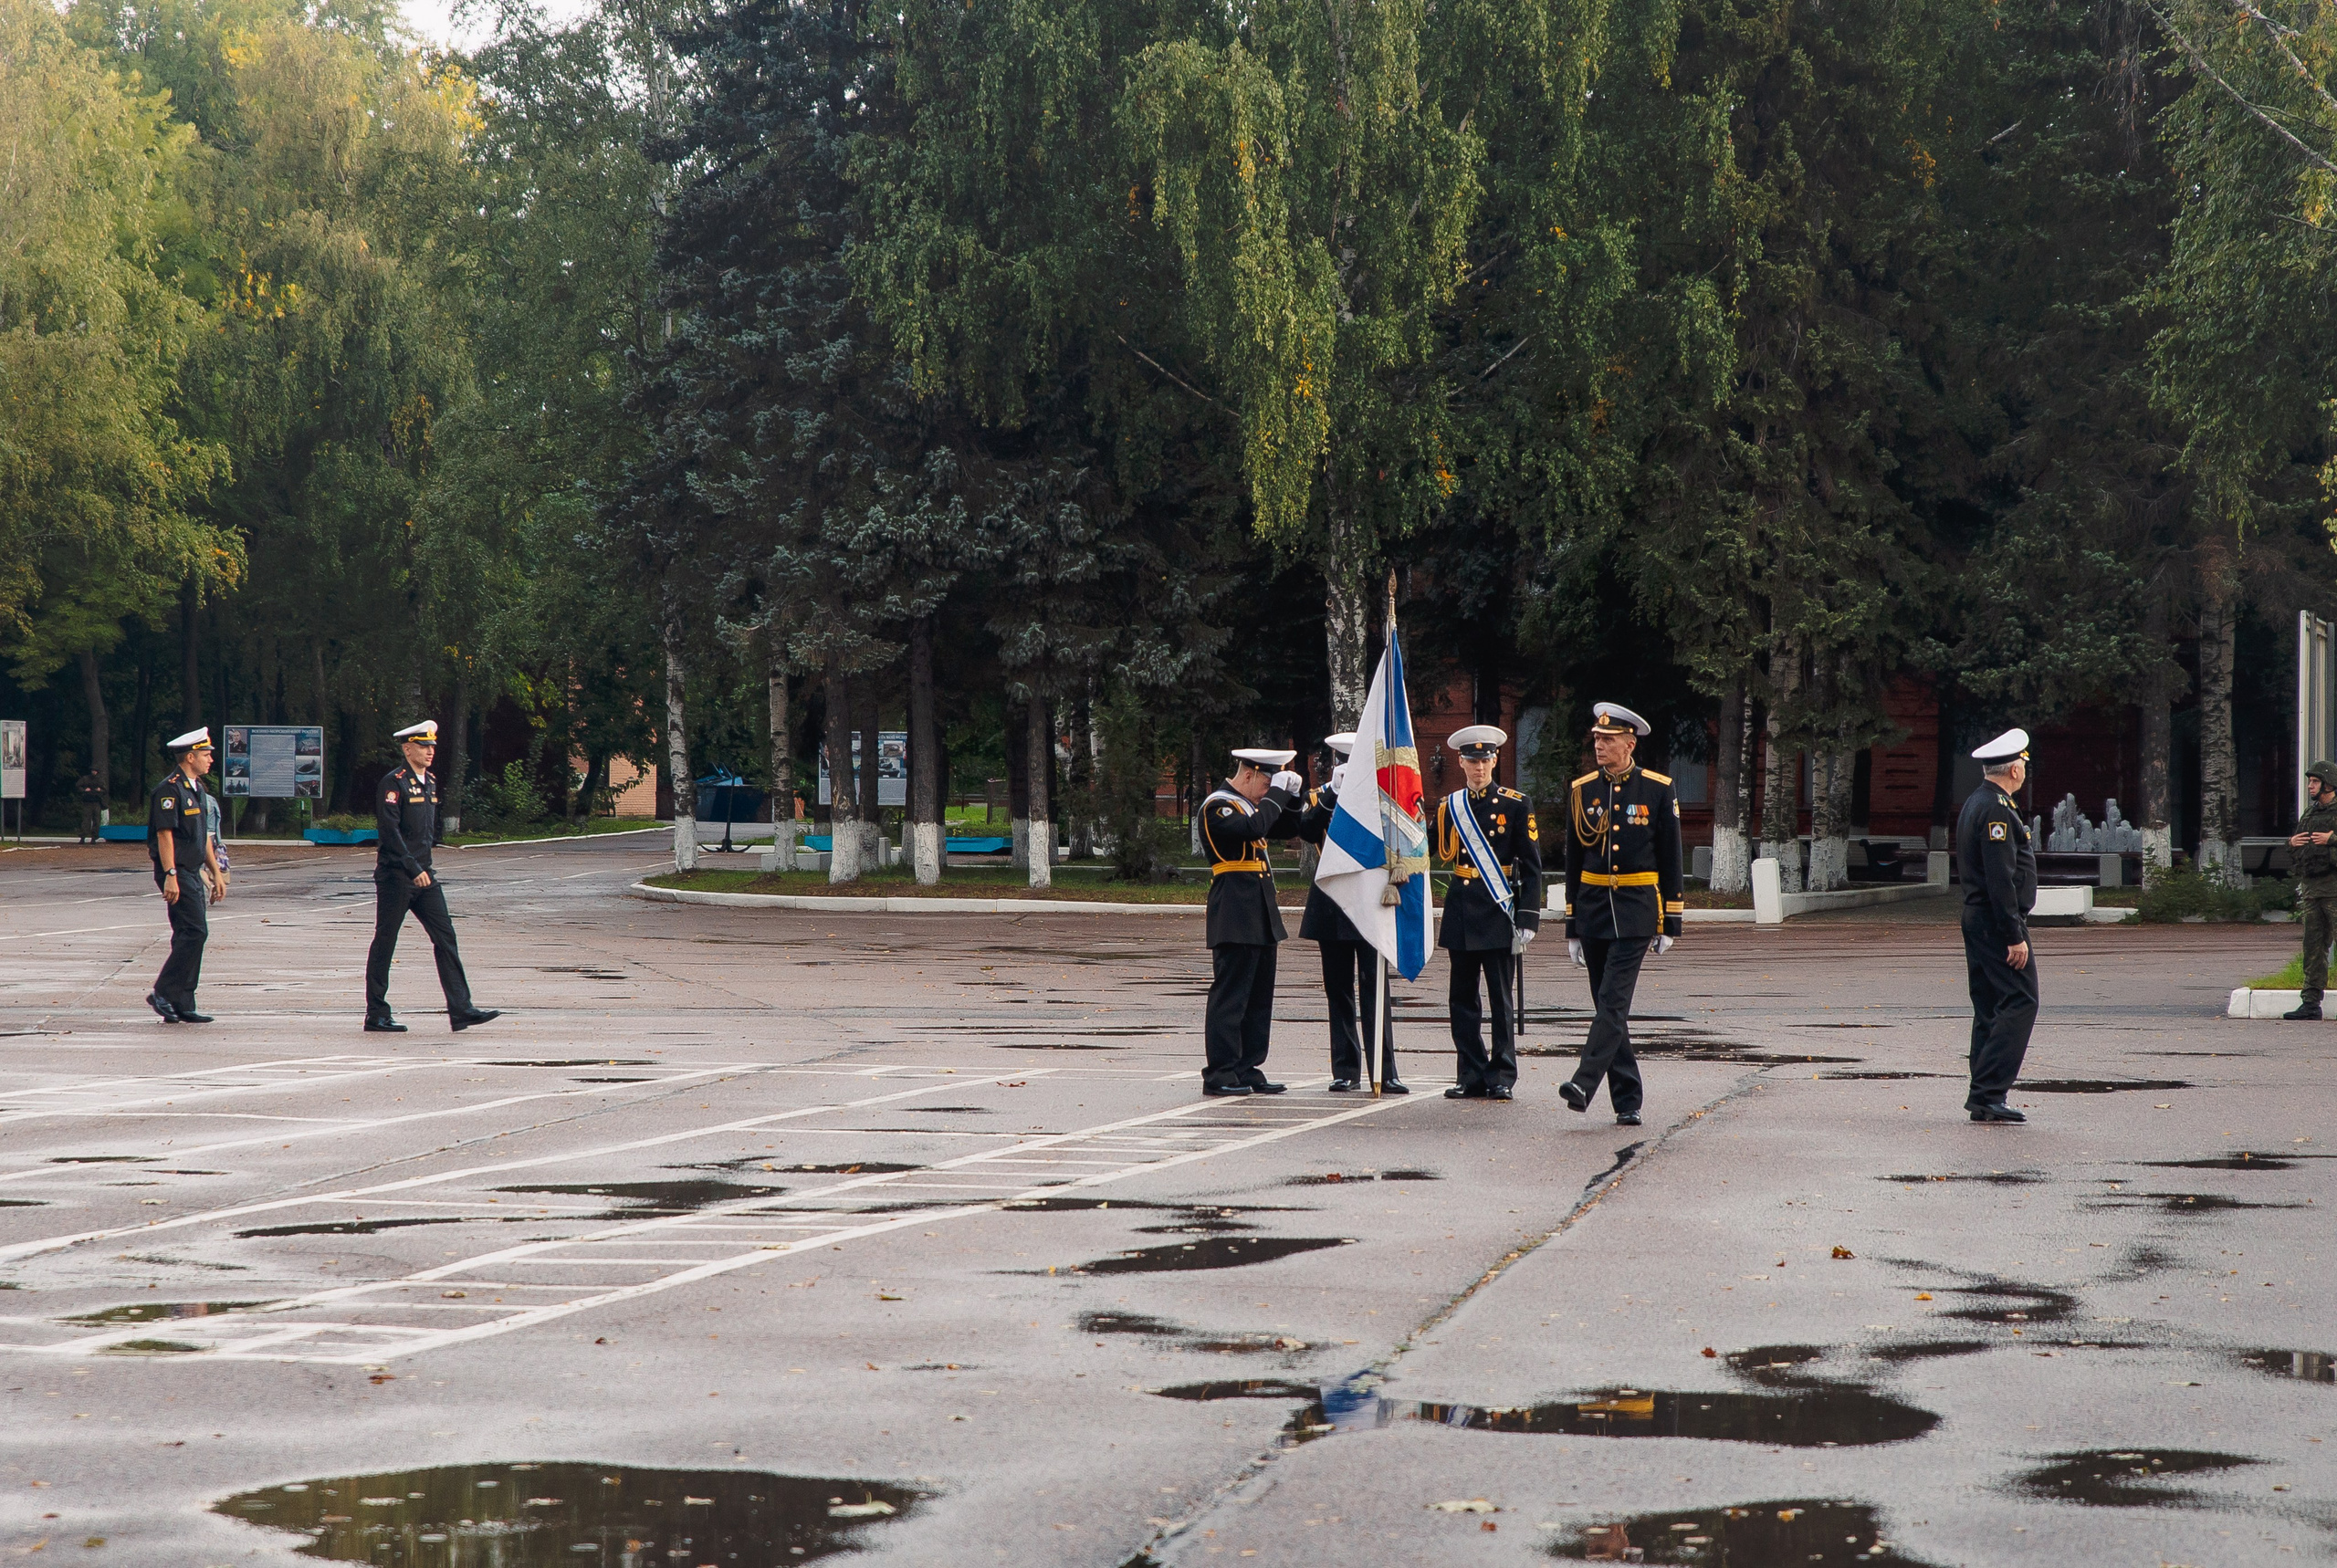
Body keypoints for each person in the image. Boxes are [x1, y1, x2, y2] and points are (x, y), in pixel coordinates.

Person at [1558, 703, 1682, 1125]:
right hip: (1593, 910)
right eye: (1596, 739)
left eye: (1608, 740)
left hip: (1636, 911)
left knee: (1612, 1002)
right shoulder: (1582, 790)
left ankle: (1583, 1081)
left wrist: (1672, 921)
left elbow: (1671, 857)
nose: (1599, 745)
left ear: (1630, 744)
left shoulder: (1657, 789)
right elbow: (1574, 862)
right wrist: (1571, 926)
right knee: (1607, 1009)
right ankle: (1628, 1099)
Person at [366, 720, 499, 1033]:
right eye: (423, 746)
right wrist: (414, 869)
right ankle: (376, 1013)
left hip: (426, 875)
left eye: (432, 747)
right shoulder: (393, 783)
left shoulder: (431, 782)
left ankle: (461, 1009)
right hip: (397, 876)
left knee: (445, 937)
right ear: (407, 748)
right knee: (386, 941)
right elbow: (390, 832)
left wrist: (424, 868)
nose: (430, 752)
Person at [1432, 725, 1543, 1101]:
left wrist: (1528, 916)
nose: (1478, 767)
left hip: (1498, 910)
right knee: (1462, 1000)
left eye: (1485, 760)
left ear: (1494, 760)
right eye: (1471, 760)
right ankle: (1470, 1073)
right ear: (1460, 762)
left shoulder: (1515, 803)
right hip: (1462, 908)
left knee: (1500, 1000)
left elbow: (1531, 866)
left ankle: (1501, 1076)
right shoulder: (1450, 806)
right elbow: (1426, 847)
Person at [1296, 733, 1406, 1093]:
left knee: (1376, 988)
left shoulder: (1382, 798)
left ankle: (1384, 1069)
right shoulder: (1321, 796)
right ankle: (1345, 1069)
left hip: (1372, 899)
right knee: (1339, 989)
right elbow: (1307, 829)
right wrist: (1332, 795)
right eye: (1342, 762)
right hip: (1333, 902)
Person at [1200, 747, 1306, 1097]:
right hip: (1234, 910)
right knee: (1231, 997)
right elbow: (1253, 826)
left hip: (1259, 911)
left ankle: (1248, 1066)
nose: (1265, 793)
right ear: (1248, 775)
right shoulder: (1218, 806)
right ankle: (1221, 1072)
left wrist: (1292, 796)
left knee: (1259, 997)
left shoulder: (1250, 804)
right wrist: (1276, 794)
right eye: (1265, 783)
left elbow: (1291, 826)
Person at [1958, 727, 2039, 1122]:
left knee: (1990, 1005)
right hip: (1995, 923)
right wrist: (2014, 935)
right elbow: (2000, 877)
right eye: (2023, 764)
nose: (2025, 770)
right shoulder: (1995, 809)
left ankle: (1984, 1095)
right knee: (2022, 1000)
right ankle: (1989, 1093)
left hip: (1980, 919)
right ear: (2014, 770)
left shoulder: (1980, 801)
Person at [146, 729, 225, 1023]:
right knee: (195, 932)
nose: (211, 760)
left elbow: (202, 834)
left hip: (192, 871)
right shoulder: (170, 790)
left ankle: (182, 1002)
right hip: (177, 871)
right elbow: (164, 835)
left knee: (187, 934)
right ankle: (164, 993)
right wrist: (170, 875)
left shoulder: (197, 789)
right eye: (206, 755)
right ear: (190, 757)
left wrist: (215, 870)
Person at [2281, 759, 2337, 1020]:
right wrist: (2291, 842)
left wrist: (2332, 839)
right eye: (2310, 782)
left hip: (2335, 890)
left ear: (2328, 784)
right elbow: (2297, 843)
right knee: (2313, 948)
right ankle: (2311, 1003)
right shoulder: (2311, 813)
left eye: (2315, 782)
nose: (2310, 786)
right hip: (2313, 889)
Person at [76, 767, 104, 845]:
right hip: (87, 802)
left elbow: (105, 790)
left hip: (96, 801)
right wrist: (84, 790)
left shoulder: (100, 780)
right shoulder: (85, 779)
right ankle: (83, 837)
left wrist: (100, 790)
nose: (94, 772)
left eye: (95, 771)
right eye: (93, 770)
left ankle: (94, 838)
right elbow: (78, 785)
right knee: (86, 820)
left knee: (96, 821)